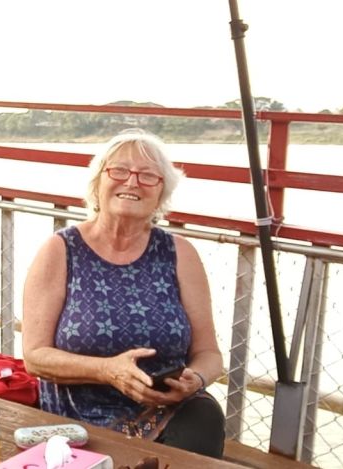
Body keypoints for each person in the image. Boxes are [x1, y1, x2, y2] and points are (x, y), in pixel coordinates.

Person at [22, 130, 226, 458]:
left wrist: (196, 379)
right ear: (97, 184)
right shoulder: (61, 250)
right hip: (79, 420)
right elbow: (34, 356)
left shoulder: (180, 254)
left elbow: (210, 355)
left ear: (161, 193)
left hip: (167, 411)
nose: (132, 182)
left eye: (148, 176)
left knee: (205, 418)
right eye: (119, 171)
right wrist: (107, 370)